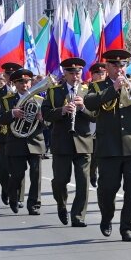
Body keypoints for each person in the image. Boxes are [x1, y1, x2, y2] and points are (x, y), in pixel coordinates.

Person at [84, 49, 131, 241]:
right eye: (115, 65)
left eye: (122, 65)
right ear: (107, 67)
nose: (119, 68)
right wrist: (113, 89)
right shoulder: (97, 86)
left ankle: (128, 228)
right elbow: (90, 104)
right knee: (107, 190)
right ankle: (107, 216)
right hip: (109, 147)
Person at [42, 58, 95, 227]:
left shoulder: (89, 90)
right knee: (60, 180)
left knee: (83, 181)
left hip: (83, 141)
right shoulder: (54, 91)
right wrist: (62, 110)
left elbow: (96, 115)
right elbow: (46, 114)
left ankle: (78, 216)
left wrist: (83, 108)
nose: (75, 76)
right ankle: (61, 204)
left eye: (78, 72)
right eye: (71, 72)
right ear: (64, 73)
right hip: (62, 141)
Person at [0, 68, 46, 216]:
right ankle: (13, 196)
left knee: (36, 174)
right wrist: (12, 113)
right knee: (17, 174)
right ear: (15, 83)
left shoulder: (40, 99)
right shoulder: (7, 100)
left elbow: (49, 121)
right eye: (21, 82)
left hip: (35, 141)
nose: (25, 85)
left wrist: (42, 118)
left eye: (27, 81)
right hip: (15, 142)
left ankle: (34, 204)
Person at [0, 62, 22, 207]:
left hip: (21, 135)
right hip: (4, 135)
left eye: (14, 75)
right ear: (5, 76)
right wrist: (1, 120)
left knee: (19, 168)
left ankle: (18, 197)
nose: (11, 78)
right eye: (8, 75)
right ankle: (6, 189)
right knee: (4, 168)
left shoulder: (25, 91)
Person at [87, 61, 107, 188]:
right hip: (93, 123)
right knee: (94, 153)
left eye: (103, 73)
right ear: (92, 75)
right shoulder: (89, 87)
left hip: (107, 123)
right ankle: (92, 174)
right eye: (98, 73)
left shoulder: (109, 86)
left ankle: (102, 176)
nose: (101, 75)